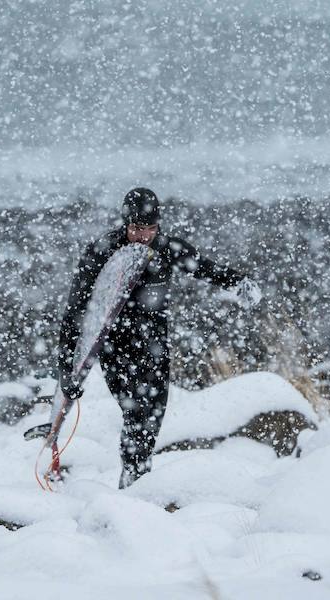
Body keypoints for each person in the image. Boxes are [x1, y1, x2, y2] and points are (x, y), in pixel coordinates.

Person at [57, 187, 261, 488]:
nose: (144, 236)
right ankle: (134, 476)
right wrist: (67, 368)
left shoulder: (165, 247)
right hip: (115, 347)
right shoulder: (103, 252)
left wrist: (237, 282)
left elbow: (204, 267)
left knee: (153, 414)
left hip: (155, 346)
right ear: (126, 224)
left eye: (150, 229)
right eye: (138, 229)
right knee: (135, 412)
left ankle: (138, 475)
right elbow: (76, 310)